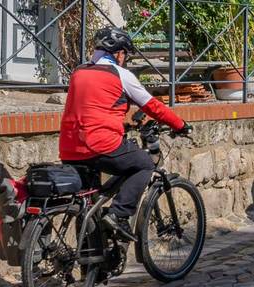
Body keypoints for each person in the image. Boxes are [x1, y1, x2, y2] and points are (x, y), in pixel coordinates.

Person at [59, 27, 189, 241]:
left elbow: (94, 107)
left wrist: (123, 122)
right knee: (145, 163)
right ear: (119, 53)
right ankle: (119, 214)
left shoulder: (79, 71)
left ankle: (92, 270)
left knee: (88, 203)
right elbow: (152, 106)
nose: (125, 59)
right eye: (125, 55)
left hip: (69, 147)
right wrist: (180, 125)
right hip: (99, 145)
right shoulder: (121, 74)